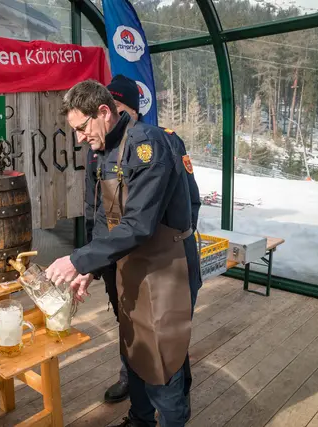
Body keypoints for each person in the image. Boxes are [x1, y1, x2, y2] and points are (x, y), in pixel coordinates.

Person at [46, 79, 201, 427]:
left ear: (104, 112)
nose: (79, 138)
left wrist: (76, 261)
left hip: (165, 268)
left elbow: (139, 225)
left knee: (163, 361)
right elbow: (102, 218)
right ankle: (140, 419)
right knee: (133, 348)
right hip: (128, 265)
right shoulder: (102, 151)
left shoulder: (148, 146)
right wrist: (91, 268)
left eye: (81, 128)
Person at [90, 75, 202, 404]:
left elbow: (191, 201)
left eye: (119, 108)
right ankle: (133, 387)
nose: (112, 116)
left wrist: (173, 243)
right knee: (129, 327)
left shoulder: (162, 143)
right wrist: (96, 261)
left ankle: (176, 397)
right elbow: (95, 208)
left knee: (167, 338)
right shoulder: (100, 148)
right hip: (119, 257)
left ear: (134, 112)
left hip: (164, 260)